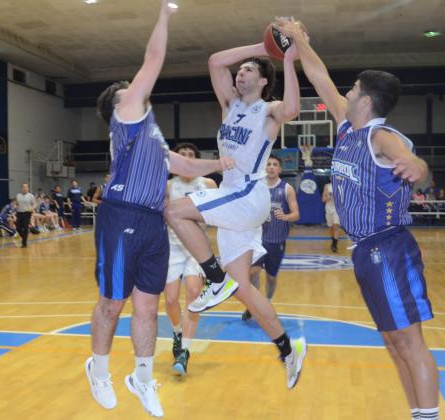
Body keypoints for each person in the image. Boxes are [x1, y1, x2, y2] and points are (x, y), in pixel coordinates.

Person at [279, 17, 439, 420]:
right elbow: (319, 77)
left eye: (352, 89)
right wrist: (299, 40)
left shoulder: (379, 136)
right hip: (365, 250)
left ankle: (429, 416)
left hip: (389, 247)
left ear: (365, 100)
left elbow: (411, 159)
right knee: (392, 340)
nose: (345, 93)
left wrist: (415, 167)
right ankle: (417, 412)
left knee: (409, 340)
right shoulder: (349, 127)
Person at [86, 2, 236, 416]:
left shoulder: (150, 134)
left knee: (148, 307)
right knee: (112, 304)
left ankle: (143, 376)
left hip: (153, 222)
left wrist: (219, 165)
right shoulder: (126, 118)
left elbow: (183, 165)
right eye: (127, 92)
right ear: (117, 107)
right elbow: (152, 60)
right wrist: (164, 16)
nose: (135, 92)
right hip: (122, 216)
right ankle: (99, 370)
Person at [163, 19, 307, 388]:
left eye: (248, 72)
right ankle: (288, 349)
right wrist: (263, 48)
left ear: (261, 81)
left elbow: (292, 108)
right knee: (243, 287)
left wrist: (287, 60)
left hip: (247, 192)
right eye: (239, 70)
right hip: (236, 203)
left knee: (174, 210)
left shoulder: (269, 110)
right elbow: (214, 61)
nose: (239, 73)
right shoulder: (229, 104)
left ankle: (213, 276)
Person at [162, 143, 218, 377]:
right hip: (173, 246)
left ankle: (184, 350)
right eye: (181, 155)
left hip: (197, 247)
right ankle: (176, 332)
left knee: (194, 293)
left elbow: (216, 214)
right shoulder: (167, 185)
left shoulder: (208, 184)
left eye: (190, 155)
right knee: (171, 298)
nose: (186, 158)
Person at [241, 155, 300, 320]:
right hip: (257, 238)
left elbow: (296, 214)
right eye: (269, 164)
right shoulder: (256, 188)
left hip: (276, 240)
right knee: (252, 272)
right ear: (264, 168)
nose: (272, 167)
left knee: (271, 277)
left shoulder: (287, 188)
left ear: (280, 169)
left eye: (275, 164)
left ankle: (266, 301)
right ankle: (253, 306)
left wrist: (286, 216)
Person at [322, 182, 341, 252]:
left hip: (337, 209)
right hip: (328, 208)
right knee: (330, 227)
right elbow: (323, 199)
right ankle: (333, 240)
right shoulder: (327, 186)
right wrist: (328, 197)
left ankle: (334, 245)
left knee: (335, 226)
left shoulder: (341, 185)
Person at [15, 183, 35, 248]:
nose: (25, 188)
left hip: (27, 213)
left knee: (25, 227)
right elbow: (16, 204)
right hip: (19, 213)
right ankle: (24, 238)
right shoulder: (18, 195)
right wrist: (15, 206)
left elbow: (35, 204)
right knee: (18, 228)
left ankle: (24, 243)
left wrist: (32, 208)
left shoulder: (31, 196)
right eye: (23, 187)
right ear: (21, 188)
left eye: (26, 187)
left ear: (28, 188)